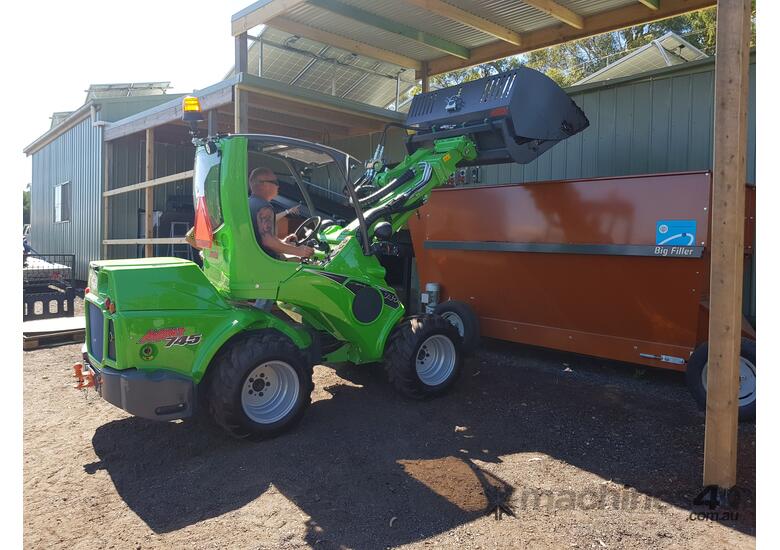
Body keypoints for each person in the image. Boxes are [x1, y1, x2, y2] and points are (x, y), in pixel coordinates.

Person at [248, 167, 314, 260]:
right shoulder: (264, 207)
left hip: (256, 258)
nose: (278, 186)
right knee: (309, 264)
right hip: (268, 262)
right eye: (276, 182)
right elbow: (268, 242)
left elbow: (262, 239)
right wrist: (299, 251)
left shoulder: (250, 202)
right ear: (265, 184)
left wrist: (283, 243)